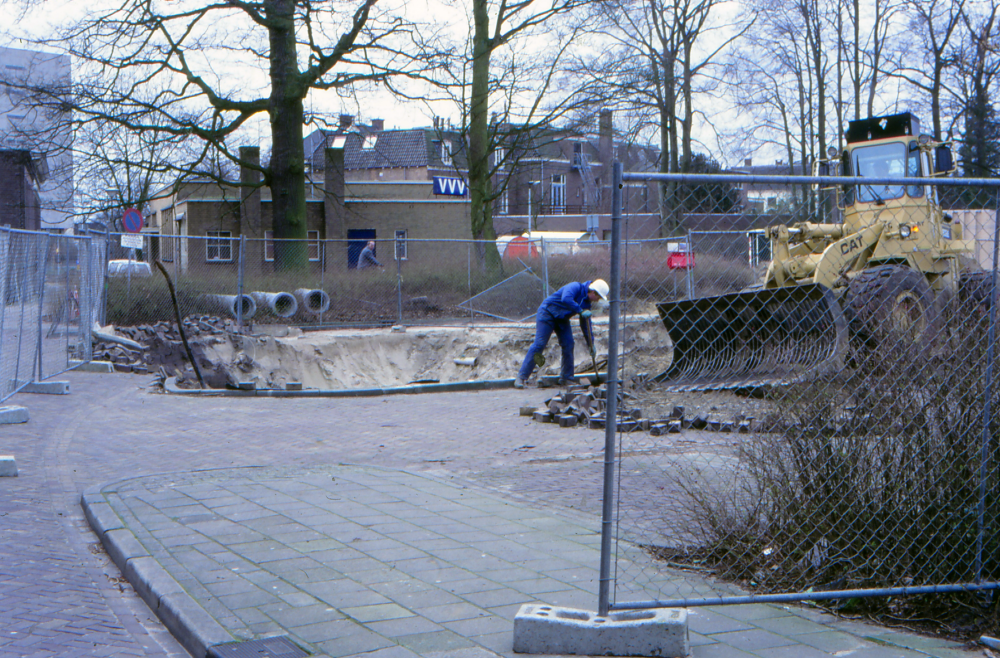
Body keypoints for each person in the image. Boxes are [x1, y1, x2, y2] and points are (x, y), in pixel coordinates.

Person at [514, 279, 610, 388]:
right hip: (547, 313)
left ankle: (566, 378)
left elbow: (585, 324)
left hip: (562, 319)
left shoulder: (587, 304)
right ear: (593, 292)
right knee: (540, 344)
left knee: (569, 344)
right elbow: (566, 298)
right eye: (598, 297)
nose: (597, 300)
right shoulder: (575, 287)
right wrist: (580, 310)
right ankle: (521, 377)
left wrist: (590, 344)